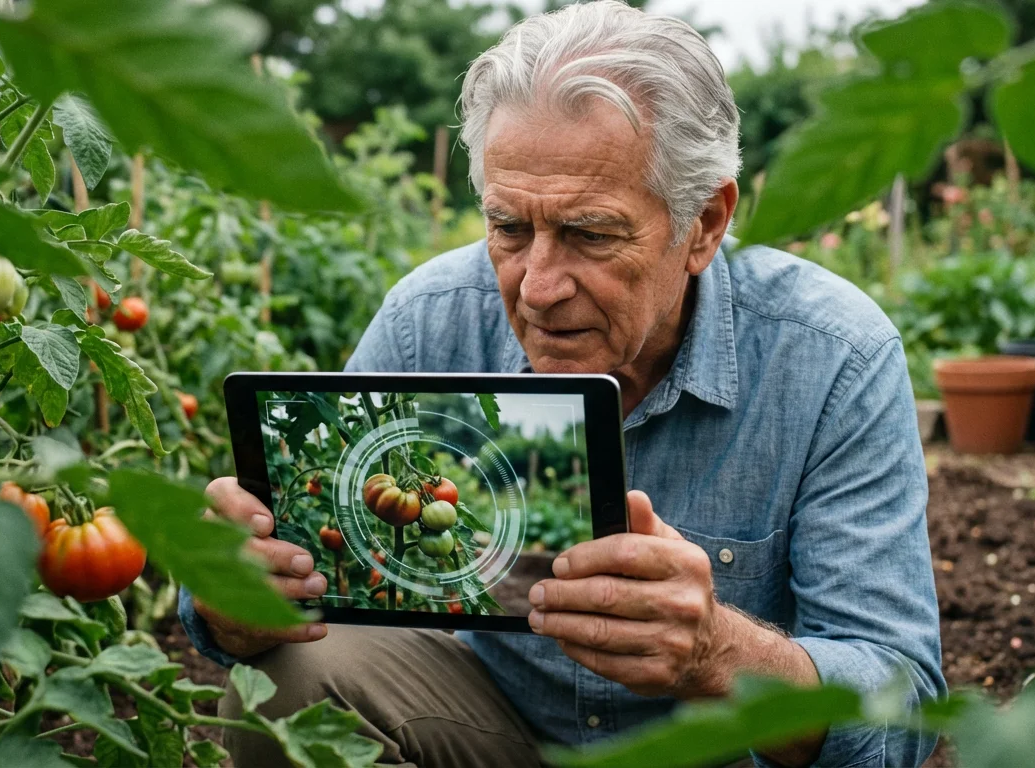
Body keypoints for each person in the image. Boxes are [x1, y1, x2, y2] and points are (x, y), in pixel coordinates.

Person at [179, 2, 946, 765]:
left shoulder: (830, 356)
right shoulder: (428, 322)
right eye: (510, 229)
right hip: (494, 736)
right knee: (294, 681)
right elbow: (305, 574)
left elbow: (899, 700)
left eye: (590, 234)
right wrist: (239, 597)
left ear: (705, 224)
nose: (539, 287)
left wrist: (718, 652)